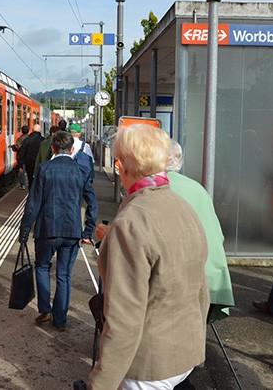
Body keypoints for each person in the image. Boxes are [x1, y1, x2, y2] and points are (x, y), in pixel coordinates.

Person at [87, 124, 208, 390]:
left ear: (123, 166)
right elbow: (201, 289)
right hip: (184, 353)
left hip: (148, 365)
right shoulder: (184, 208)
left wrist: (101, 382)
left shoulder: (130, 222)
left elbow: (124, 318)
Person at [18, 130, 97, 331]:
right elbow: (92, 203)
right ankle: (60, 320)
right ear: (72, 149)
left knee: (42, 267)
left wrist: (25, 231)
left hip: (47, 229)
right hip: (72, 231)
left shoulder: (44, 169)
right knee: (64, 275)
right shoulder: (80, 171)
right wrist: (87, 231)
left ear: (53, 148)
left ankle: (45, 310)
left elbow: (33, 204)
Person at [166, 141, 234, 322]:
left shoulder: (156, 189)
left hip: (178, 287)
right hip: (212, 280)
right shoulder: (197, 188)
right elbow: (217, 235)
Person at [10, 125, 29, 189]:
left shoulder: (21, 138)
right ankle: (26, 183)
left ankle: (23, 185)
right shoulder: (29, 137)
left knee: (21, 170)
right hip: (28, 156)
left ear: (22, 131)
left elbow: (17, 147)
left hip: (21, 156)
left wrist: (12, 147)